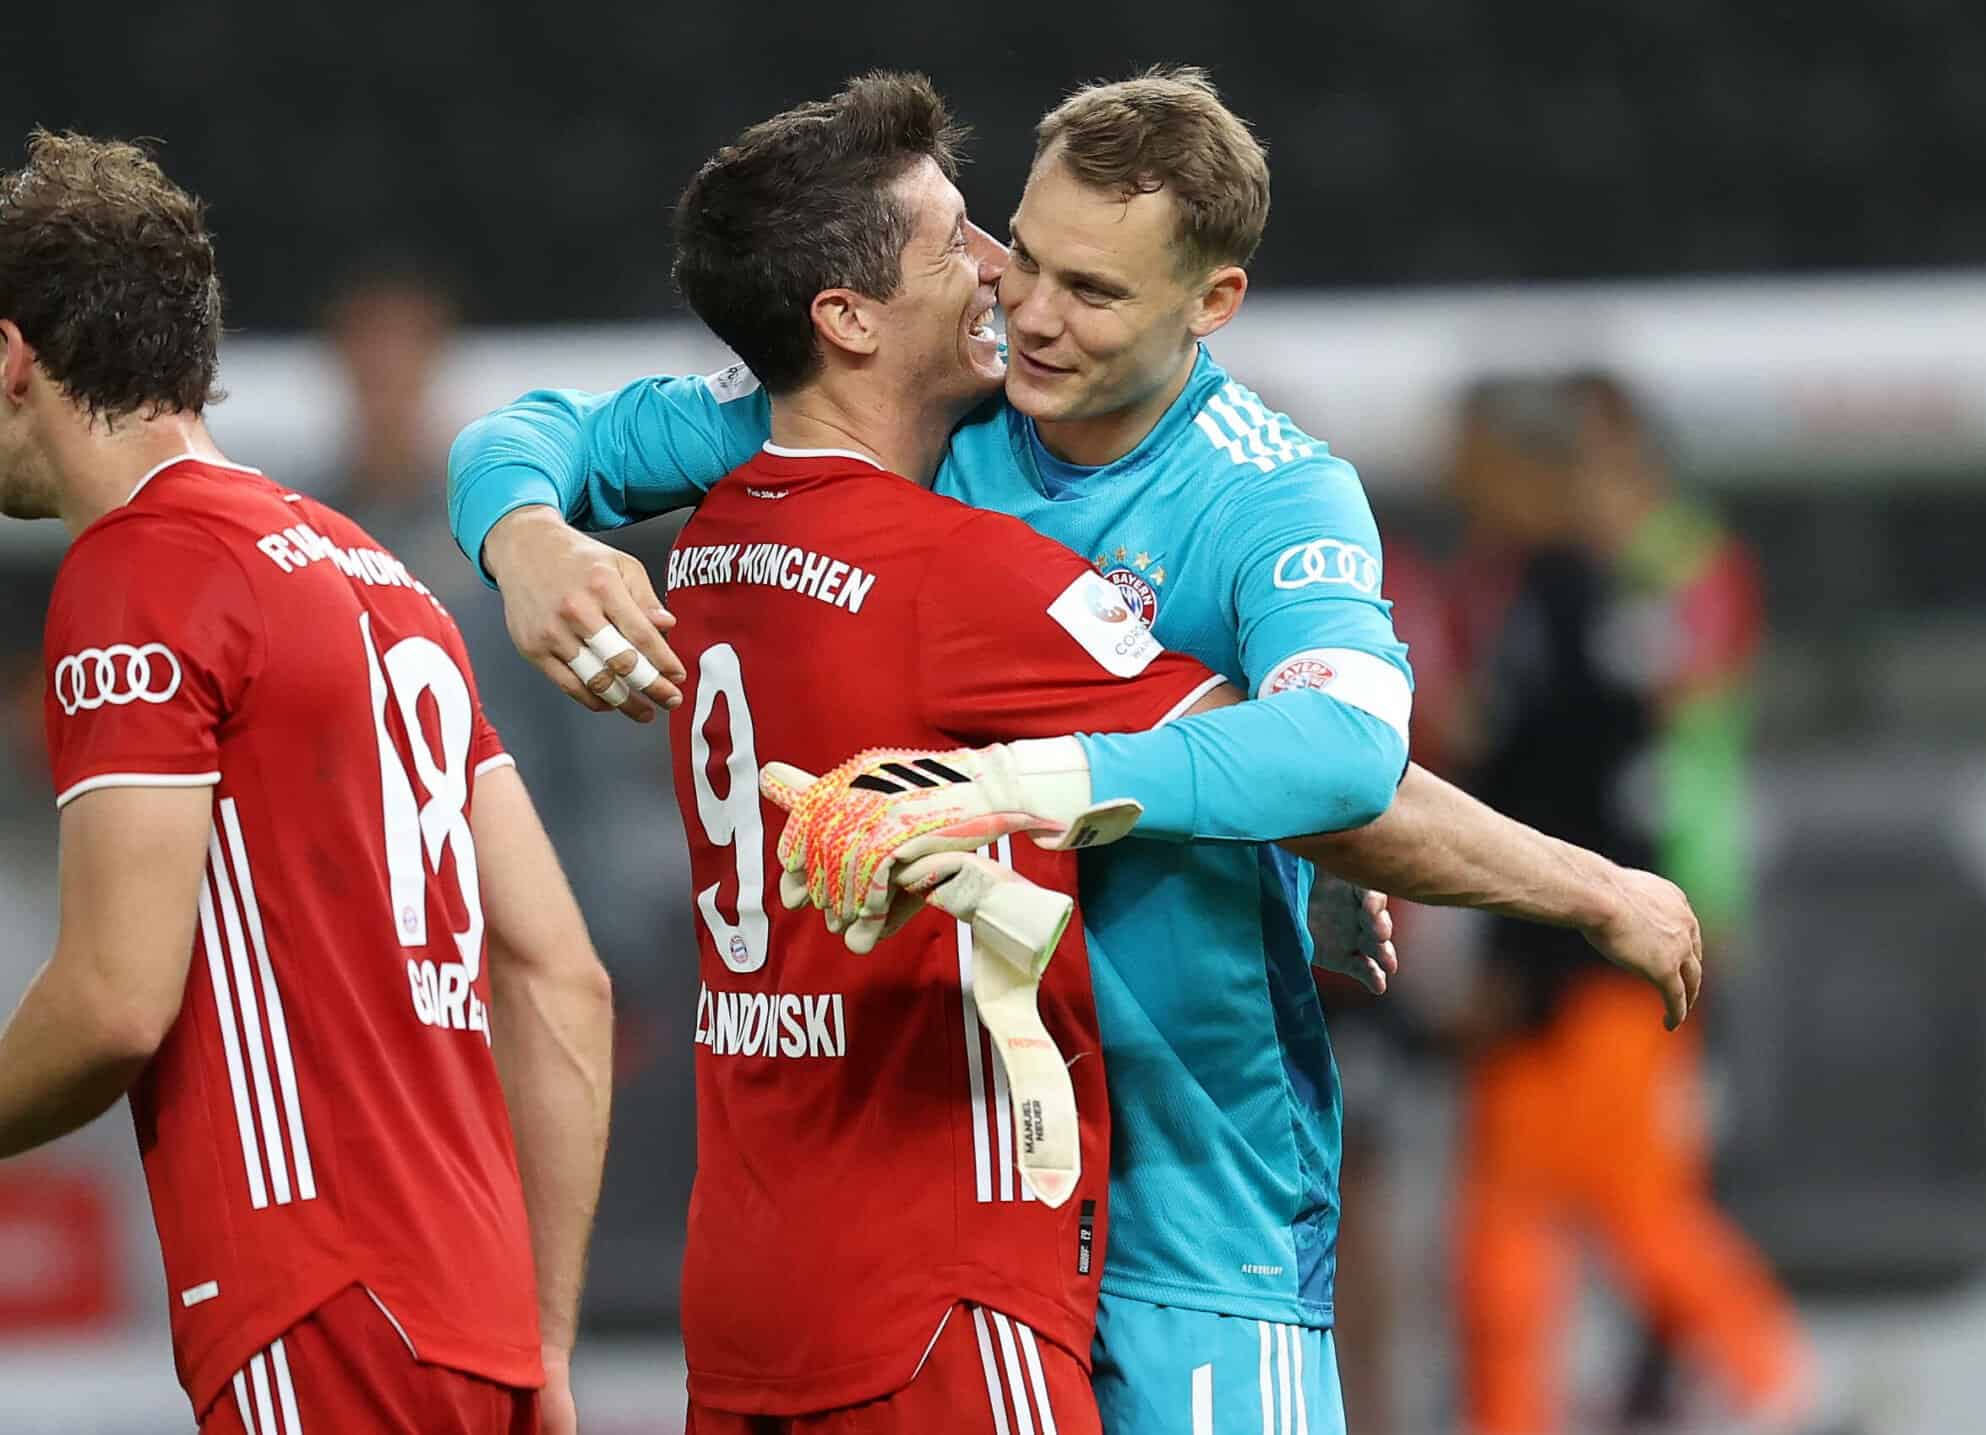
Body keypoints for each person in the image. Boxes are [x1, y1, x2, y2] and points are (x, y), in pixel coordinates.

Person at [448, 70, 1702, 1432]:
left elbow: (1342, 754)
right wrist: (524, 536)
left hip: (1191, 1208)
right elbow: (542, 434)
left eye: (1091, 293)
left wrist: (1575, 881)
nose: (1031, 312)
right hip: (969, 1194)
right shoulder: (932, 409)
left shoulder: (1268, 491)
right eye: (1020, 256)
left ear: (1209, 302)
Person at [653, 75, 1253, 1431]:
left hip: (748, 1280)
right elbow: (1282, 762)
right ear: (847, 317)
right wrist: (1589, 888)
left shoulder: (706, 550)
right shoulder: (947, 573)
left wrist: (514, 515)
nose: (1002, 272)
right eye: (957, 245)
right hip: (937, 1292)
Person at [0, 131, 613, 1434]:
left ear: (13, 360)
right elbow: (562, 968)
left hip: (315, 1293)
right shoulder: (385, 583)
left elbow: (113, 999)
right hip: (480, 1327)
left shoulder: (138, 573)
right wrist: (547, 1337)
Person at [1441, 374, 1815, 1435]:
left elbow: (1592, 791)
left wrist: (1527, 965)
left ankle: (1778, 1391)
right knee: (1511, 1229)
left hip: (1608, 955)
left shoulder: (1597, 591)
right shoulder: (1551, 593)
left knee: (1628, 1205)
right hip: (1574, 955)